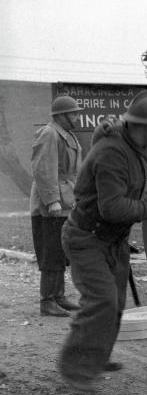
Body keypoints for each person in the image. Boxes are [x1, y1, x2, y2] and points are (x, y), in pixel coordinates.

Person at [58, 90, 147, 391]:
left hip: (112, 240)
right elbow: (111, 208)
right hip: (87, 238)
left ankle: (95, 357)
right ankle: (75, 369)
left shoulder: (136, 150)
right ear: (144, 127)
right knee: (101, 300)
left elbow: (125, 196)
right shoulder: (112, 153)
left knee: (115, 304)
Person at [30, 95, 84, 317]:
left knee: (61, 250)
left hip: (65, 200)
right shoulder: (50, 133)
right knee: (50, 250)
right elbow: (44, 168)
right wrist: (52, 200)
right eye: (73, 113)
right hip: (49, 205)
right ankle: (47, 300)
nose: (77, 117)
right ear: (61, 115)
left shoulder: (66, 134)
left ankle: (59, 296)